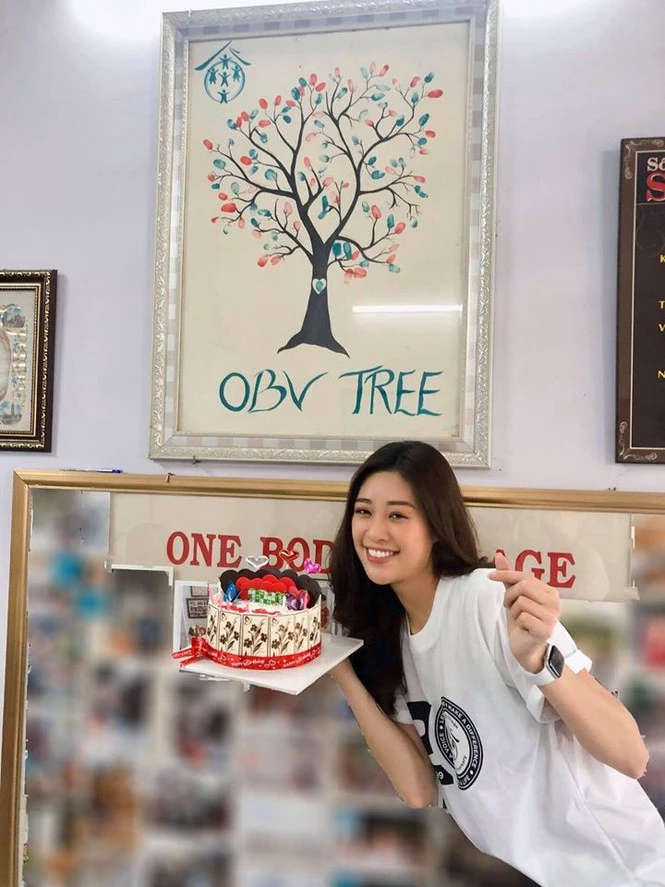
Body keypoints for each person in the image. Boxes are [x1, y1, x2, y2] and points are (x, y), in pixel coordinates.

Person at [328, 440, 665, 887]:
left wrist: (538, 661)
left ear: (435, 526)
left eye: (398, 515)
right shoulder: (392, 637)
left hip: (622, 871)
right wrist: (338, 665)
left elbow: (631, 756)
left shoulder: (487, 599)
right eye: (363, 511)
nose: (374, 532)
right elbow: (418, 789)